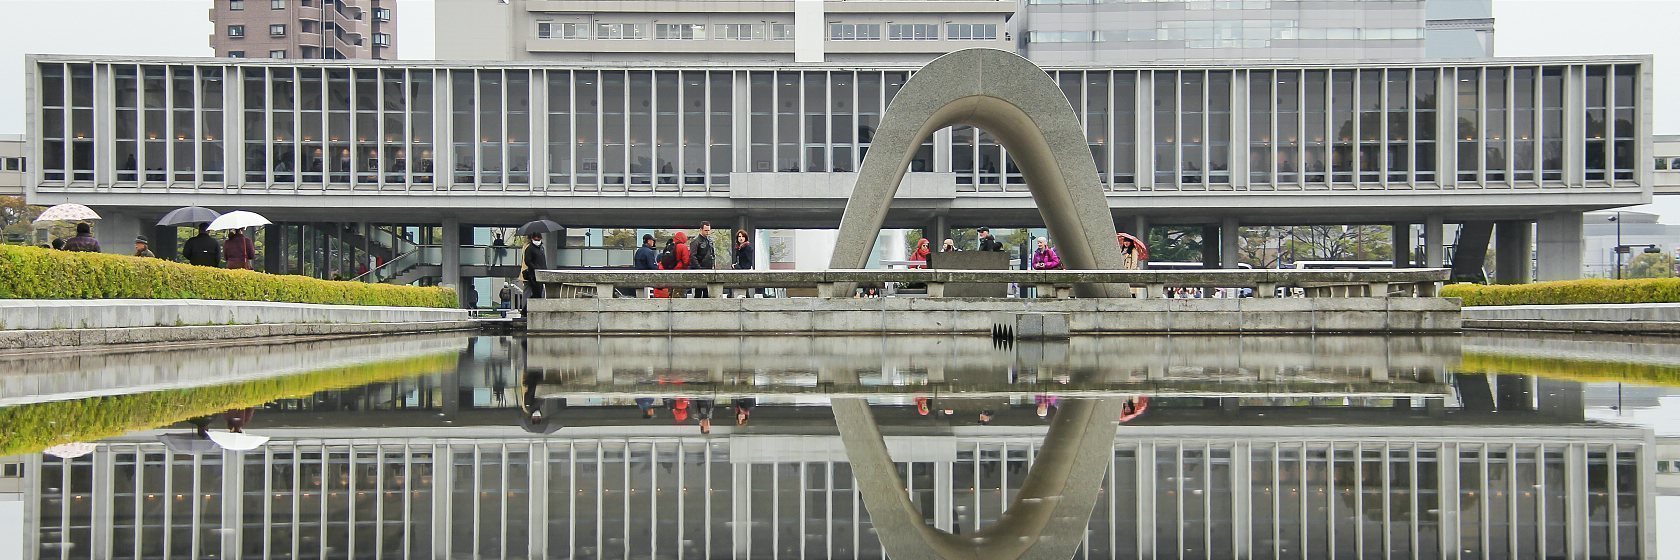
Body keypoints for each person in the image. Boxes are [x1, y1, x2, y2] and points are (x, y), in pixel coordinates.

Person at [522, 232, 548, 310]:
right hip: (533, 275)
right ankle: (525, 310)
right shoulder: (529, 248)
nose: (537, 240)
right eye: (535, 239)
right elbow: (527, 261)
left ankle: (529, 309)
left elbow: (543, 261)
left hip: (541, 274)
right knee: (536, 293)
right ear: (532, 239)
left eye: (538, 239)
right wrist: (535, 268)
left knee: (538, 294)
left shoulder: (541, 248)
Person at [691, 222, 716, 297]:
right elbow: (692, 256)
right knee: (698, 291)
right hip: (700, 269)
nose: (708, 232)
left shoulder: (710, 241)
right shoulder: (696, 241)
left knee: (707, 292)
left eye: (709, 230)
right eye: (706, 230)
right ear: (701, 230)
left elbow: (712, 254)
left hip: (709, 269)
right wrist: (699, 268)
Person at [732, 230, 755, 297]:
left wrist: (737, 267)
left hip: (744, 272)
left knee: (744, 291)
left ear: (745, 238)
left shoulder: (748, 248)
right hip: (739, 272)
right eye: (739, 236)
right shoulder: (738, 248)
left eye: (743, 236)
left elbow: (748, 263)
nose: (741, 238)